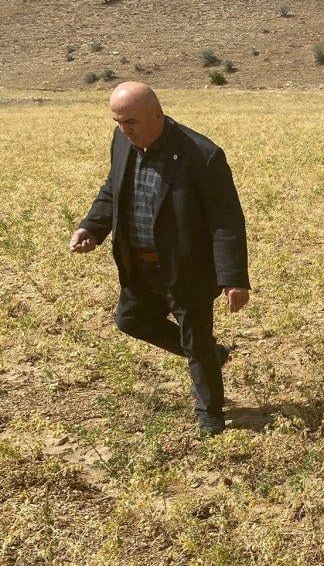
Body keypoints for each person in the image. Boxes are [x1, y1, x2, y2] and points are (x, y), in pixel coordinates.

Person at [69, 82, 250, 437]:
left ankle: (210, 416)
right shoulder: (123, 142)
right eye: (118, 121)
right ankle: (213, 356)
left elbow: (226, 221)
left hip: (186, 267)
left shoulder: (202, 155)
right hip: (139, 264)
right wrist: (92, 226)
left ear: (158, 114)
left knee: (196, 340)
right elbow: (112, 188)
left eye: (131, 121)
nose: (124, 129)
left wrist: (234, 277)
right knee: (131, 320)